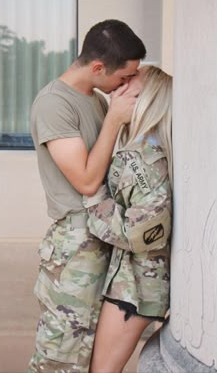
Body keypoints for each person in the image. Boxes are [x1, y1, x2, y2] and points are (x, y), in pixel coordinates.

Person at [28, 19, 146, 372]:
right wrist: (114, 121)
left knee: (91, 348)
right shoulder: (53, 104)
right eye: (124, 77)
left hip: (103, 233)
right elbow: (86, 181)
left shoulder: (94, 98)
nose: (125, 85)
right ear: (98, 68)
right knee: (61, 356)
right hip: (76, 245)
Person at [83, 65, 173, 373]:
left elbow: (139, 234)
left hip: (133, 292)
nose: (120, 86)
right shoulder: (148, 150)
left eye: (130, 82)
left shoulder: (139, 158)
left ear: (144, 98)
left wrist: (92, 195)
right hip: (136, 289)